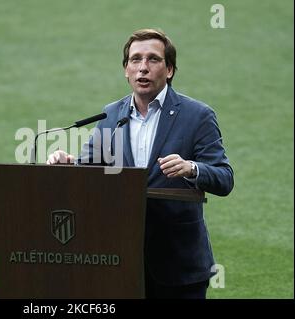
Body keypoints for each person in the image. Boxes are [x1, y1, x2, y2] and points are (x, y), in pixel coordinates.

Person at [46, 28, 234, 298]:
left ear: (169, 69)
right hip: (121, 261)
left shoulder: (198, 116)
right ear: (126, 69)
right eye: (135, 60)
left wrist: (192, 169)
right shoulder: (111, 114)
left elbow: (224, 178)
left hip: (179, 265)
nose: (143, 68)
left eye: (153, 59)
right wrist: (68, 166)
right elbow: (88, 170)